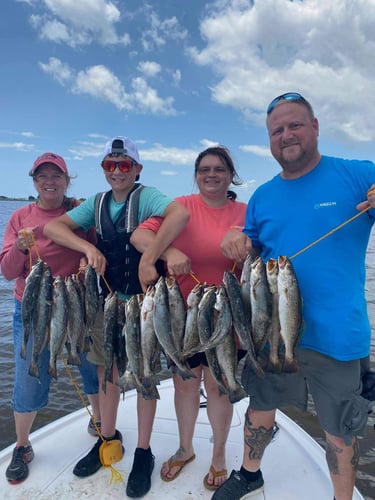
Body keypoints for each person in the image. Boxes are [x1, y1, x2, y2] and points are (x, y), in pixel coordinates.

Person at [214, 92, 375, 500]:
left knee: (339, 432)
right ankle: (250, 474)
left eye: (295, 125)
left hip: (337, 336)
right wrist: (237, 240)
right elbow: (253, 246)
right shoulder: (264, 196)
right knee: (260, 407)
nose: (286, 135)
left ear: (316, 127)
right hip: (272, 332)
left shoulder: (358, 175)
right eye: (277, 130)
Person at [43, 136, 189, 498]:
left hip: (145, 305)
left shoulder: (148, 196)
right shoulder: (96, 204)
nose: (117, 171)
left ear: (137, 169)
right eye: (111, 165)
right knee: (106, 373)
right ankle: (107, 438)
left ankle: (143, 451)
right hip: (106, 302)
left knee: (142, 376)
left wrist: (149, 255)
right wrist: (87, 246)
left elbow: (180, 214)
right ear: (103, 169)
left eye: (125, 165)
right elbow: (52, 228)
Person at [131, 146, 247, 490]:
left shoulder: (245, 210)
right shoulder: (180, 208)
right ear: (196, 175)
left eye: (219, 169)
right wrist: (166, 251)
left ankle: (220, 455)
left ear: (231, 175)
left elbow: (263, 244)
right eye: (204, 169)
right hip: (180, 315)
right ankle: (185, 448)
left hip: (227, 314)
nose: (211, 175)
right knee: (185, 384)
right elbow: (139, 235)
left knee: (219, 387)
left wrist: (246, 242)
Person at [0, 152, 101, 485]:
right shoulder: (19, 217)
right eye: (42, 176)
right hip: (31, 307)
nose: (49, 182)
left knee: (91, 364)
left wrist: (88, 264)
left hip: (75, 302)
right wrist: (18, 248)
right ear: (33, 181)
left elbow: (96, 252)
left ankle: (99, 422)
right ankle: (23, 445)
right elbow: (7, 271)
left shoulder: (80, 214)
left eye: (56, 176)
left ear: (66, 180)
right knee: (30, 374)